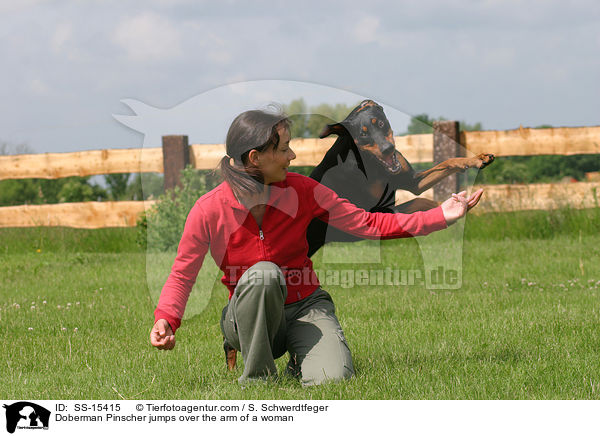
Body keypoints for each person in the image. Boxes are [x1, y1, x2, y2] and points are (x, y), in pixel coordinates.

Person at [150, 108, 483, 386]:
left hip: (305, 307)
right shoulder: (209, 209)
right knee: (264, 276)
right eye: (283, 149)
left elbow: (368, 223)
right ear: (256, 157)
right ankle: (259, 380)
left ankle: (300, 359)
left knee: (333, 380)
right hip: (250, 315)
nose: (292, 156)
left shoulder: (304, 190)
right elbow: (182, 274)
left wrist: (441, 215)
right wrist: (167, 318)